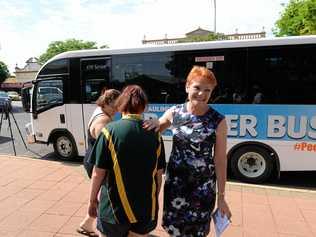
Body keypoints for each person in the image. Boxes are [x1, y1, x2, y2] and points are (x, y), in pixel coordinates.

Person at [144, 66, 231, 237]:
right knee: (174, 229)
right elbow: (158, 127)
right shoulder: (175, 112)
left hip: (202, 188)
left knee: (197, 231)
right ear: (187, 87)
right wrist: (153, 122)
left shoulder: (218, 121)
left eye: (208, 90)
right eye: (197, 88)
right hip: (176, 185)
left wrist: (221, 196)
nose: (202, 94)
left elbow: (220, 160)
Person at [88, 85, 166, 237]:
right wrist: (154, 199)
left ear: (121, 105)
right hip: (145, 209)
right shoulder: (155, 135)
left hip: (113, 210)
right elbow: (159, 174)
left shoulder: (109, 131)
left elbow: (98, 174)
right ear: (143, 107)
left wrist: (92, 201)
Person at [78, 89, 121, 237]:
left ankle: (87, 224)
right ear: (107, 102)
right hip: (97, 163)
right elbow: (107, 149)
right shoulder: (104, 121)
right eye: (116, 107)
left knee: (102, 193)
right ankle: (103, 227)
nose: (117, 111)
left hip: (91, 158)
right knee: (104, 196)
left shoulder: (99, 110)